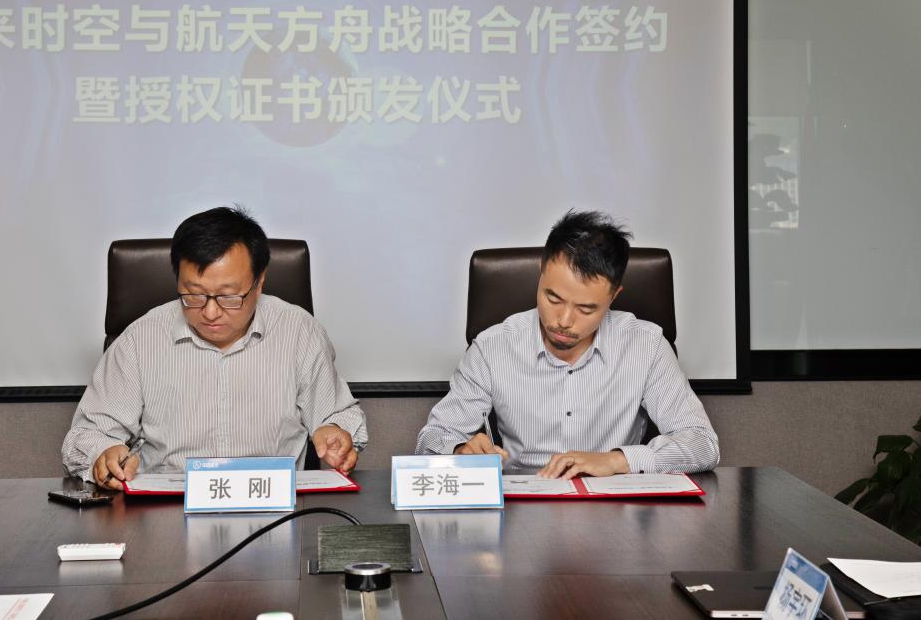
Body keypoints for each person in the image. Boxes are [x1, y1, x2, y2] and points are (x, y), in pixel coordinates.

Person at [62, 206, 367, 489]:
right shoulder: (140, 340)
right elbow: (85, 436)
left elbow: (338, 414)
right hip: (164, 510)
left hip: (271, 506)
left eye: (229, 296)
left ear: (259, 282)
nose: (210, 312)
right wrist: (104, 452)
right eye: (193, 294)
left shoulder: (299, 332)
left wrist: (335, 430)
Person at [415, 210, 718, 478]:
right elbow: (432, 439)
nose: (563, 320)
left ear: (614, 296)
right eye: (553, 298)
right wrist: (460, 451)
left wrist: (617, 460)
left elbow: (703, 444)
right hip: (523, 505)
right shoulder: (492, 347)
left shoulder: (646, 346)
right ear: (541, 272)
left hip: (613, 507)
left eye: (586, 309)